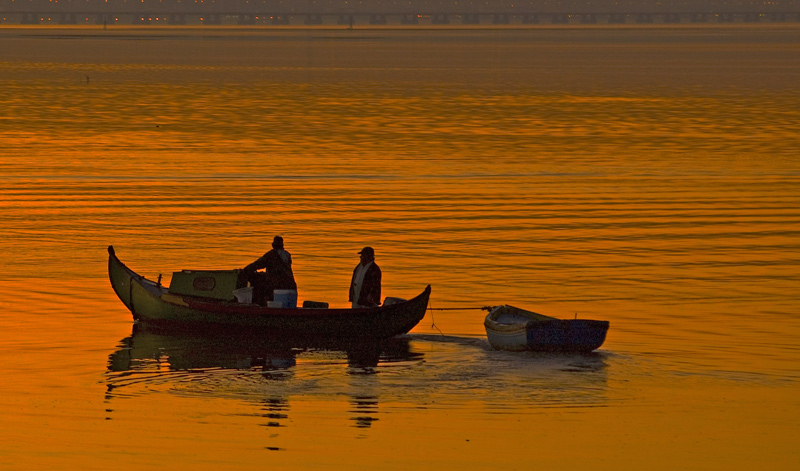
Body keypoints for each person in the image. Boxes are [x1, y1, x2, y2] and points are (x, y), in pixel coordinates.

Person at [243, 236, 297, 305]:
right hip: (290, 285)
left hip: (276, 284)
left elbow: (257, 264)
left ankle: (260, 303)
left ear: (273, 245)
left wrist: (244, 270)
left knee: (256, 279)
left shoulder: (271, 255)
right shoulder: (287, 255)